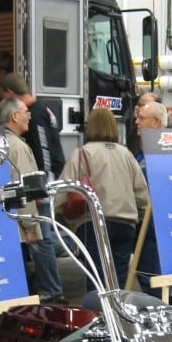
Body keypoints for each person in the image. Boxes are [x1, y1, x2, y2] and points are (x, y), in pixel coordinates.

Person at [59, 106, 149, 290]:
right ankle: (117, 316)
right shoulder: (126, 154)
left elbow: (62, 191)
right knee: (119, 280)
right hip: (126, 225)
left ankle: (99, 316)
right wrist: (136, 216)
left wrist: (65, 219)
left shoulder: (82, 153)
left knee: (97, 282)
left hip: (93, 225)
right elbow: (142, 195)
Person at [0, 96, 66, 304]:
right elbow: (24, 189)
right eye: (25, 113)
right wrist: (30, 226)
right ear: (14, 116)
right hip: (19, 221)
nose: (29, 116)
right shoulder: (17, 147)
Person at [1, 71, 67, 256]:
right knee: (43, 234)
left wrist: (40, 186)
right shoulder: (42, 109)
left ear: (10, 92)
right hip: (44, 179)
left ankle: (52, 282)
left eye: (4, 96)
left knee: (42, 238)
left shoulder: (36, 114)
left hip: (41, 182)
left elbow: (43, 150)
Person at [133, 100, 169, 296]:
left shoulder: (167, 151)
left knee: (153, 277)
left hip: (157, 228)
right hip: (144, 225)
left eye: (141, 118)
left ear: (155, 122)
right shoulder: (143, 151)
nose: (137, 122)